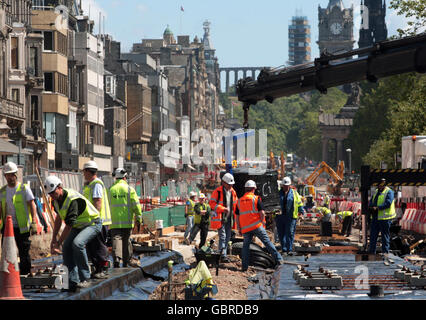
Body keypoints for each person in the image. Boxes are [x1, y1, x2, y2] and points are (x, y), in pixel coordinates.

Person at [46, 175, 102, 291]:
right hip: (79, 226)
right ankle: (72, 281)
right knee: (66, 247)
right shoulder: (55, 201)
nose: (52, 195)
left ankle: (85, 278)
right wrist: (53, 239)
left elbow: (69, 225)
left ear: (60, 187)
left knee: (77, 244)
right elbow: (58, 219)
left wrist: (58, 243)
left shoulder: (72, 199)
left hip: (92, 223)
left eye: (53, 192)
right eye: (50, 194)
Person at [237, 180, 283, 271]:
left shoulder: (239, 201)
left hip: (245, 228)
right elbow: (262, 212)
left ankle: (244, 267)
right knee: (267, 242)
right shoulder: (256, 199)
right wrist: (263, 222)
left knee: (245, 247)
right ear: (253, 189)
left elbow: (237, 216)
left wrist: (239, 227)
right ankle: (279, 259)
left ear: (246, 189)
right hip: (256, 226)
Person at [0, 162, 38, 275]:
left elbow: (32, 205)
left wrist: (34, 222)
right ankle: (9, 273)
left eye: (12, 174)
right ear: (5, 176)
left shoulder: (24, 188)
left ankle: (25, 273)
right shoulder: (2, 191)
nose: (10, 177)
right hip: (7, 227)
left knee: (23, 251)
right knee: (6, 251)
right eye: (7, 175)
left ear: (16, 174)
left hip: (22, 226)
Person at [82, 160, 112, 279]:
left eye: (84, 171)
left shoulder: (96, 184)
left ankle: (102, 269)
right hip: (93, 221)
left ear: (88, 171)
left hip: (99, 221)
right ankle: (97, 268)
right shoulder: (90, 185)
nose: (83, 174)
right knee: (92, 246)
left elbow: (98, 202)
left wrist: (94, 218)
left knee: (99, 246)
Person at [108, 168, 142, 268]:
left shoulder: (110, 189)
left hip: (114, 221)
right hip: (127, 222)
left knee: (116, 239)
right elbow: (136, 205)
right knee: (126, 240)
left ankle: (117, 259)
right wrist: (139, 219)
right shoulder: (129, 189)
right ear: (125, 177)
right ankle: (126, 261)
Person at [209, 173, 238, 262]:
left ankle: (222, 253)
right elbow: (211, 204)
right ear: (224, 183)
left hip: (229, 218)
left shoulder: (233, 192)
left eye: (231, 184)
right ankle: (222, 255)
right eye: (229, 184)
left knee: (228, 236)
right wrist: (222, 209)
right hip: (220, 218)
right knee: (223, 236)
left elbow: (236, 204)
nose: (230, 186)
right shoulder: (217, 192)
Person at [276, 177, 305, 256]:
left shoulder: (294, 193)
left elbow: (299, 203)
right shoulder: (278, 193)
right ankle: (284, 249)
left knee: (290, 233)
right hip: (280, 217)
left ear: (290, 185)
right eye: (284, 186)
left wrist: (301, 212)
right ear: (282, 185)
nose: (286, 187)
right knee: (281, 233)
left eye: (287, 185)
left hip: (291, 216)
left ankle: (289, 249)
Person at [368, 179, 396, 254]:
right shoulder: (376, 191)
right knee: (373, 236)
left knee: (385, 237)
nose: (380, 187)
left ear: (384, 185)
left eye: (381, 186)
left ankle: (385, 254)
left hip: (385, 218)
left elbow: (388, 203)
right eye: (379, 186)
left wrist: (377, 208)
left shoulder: (389, 192)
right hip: (375, 217)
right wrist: (370, 207)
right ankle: (372, 253)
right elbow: (371, 201)